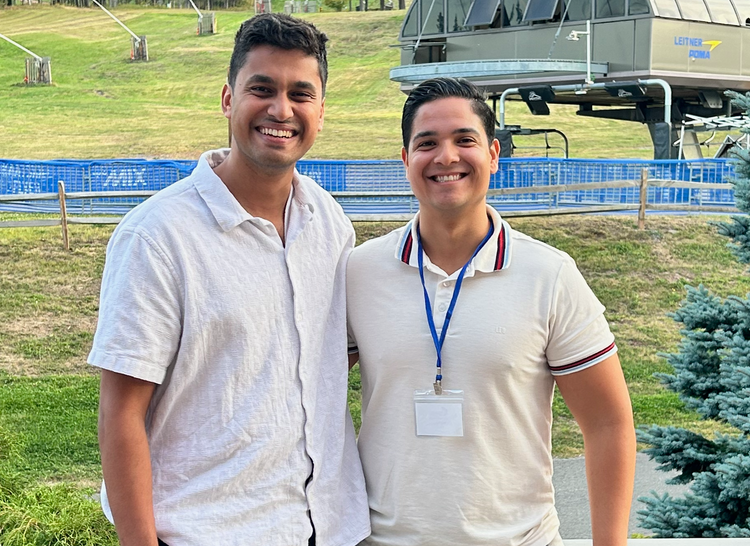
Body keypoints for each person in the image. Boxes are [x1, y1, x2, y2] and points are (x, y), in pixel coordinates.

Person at [89, 14, 370, 546]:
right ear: (227, 98)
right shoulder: (158, 236)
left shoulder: (329, 222)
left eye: (300, 94)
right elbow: (121, 411)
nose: (281, 110)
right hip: (207, 531)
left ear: (321, 111)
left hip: (327, 525)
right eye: (261, 89)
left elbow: (330, 355)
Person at [346, 77, 636, 546]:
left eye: (465, 139)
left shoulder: (549, 275)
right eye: (427, 143)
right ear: (405, 160)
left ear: (494, 154)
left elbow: (608, 424)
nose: (446, 157)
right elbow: (306, 395)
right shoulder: (359, 272)